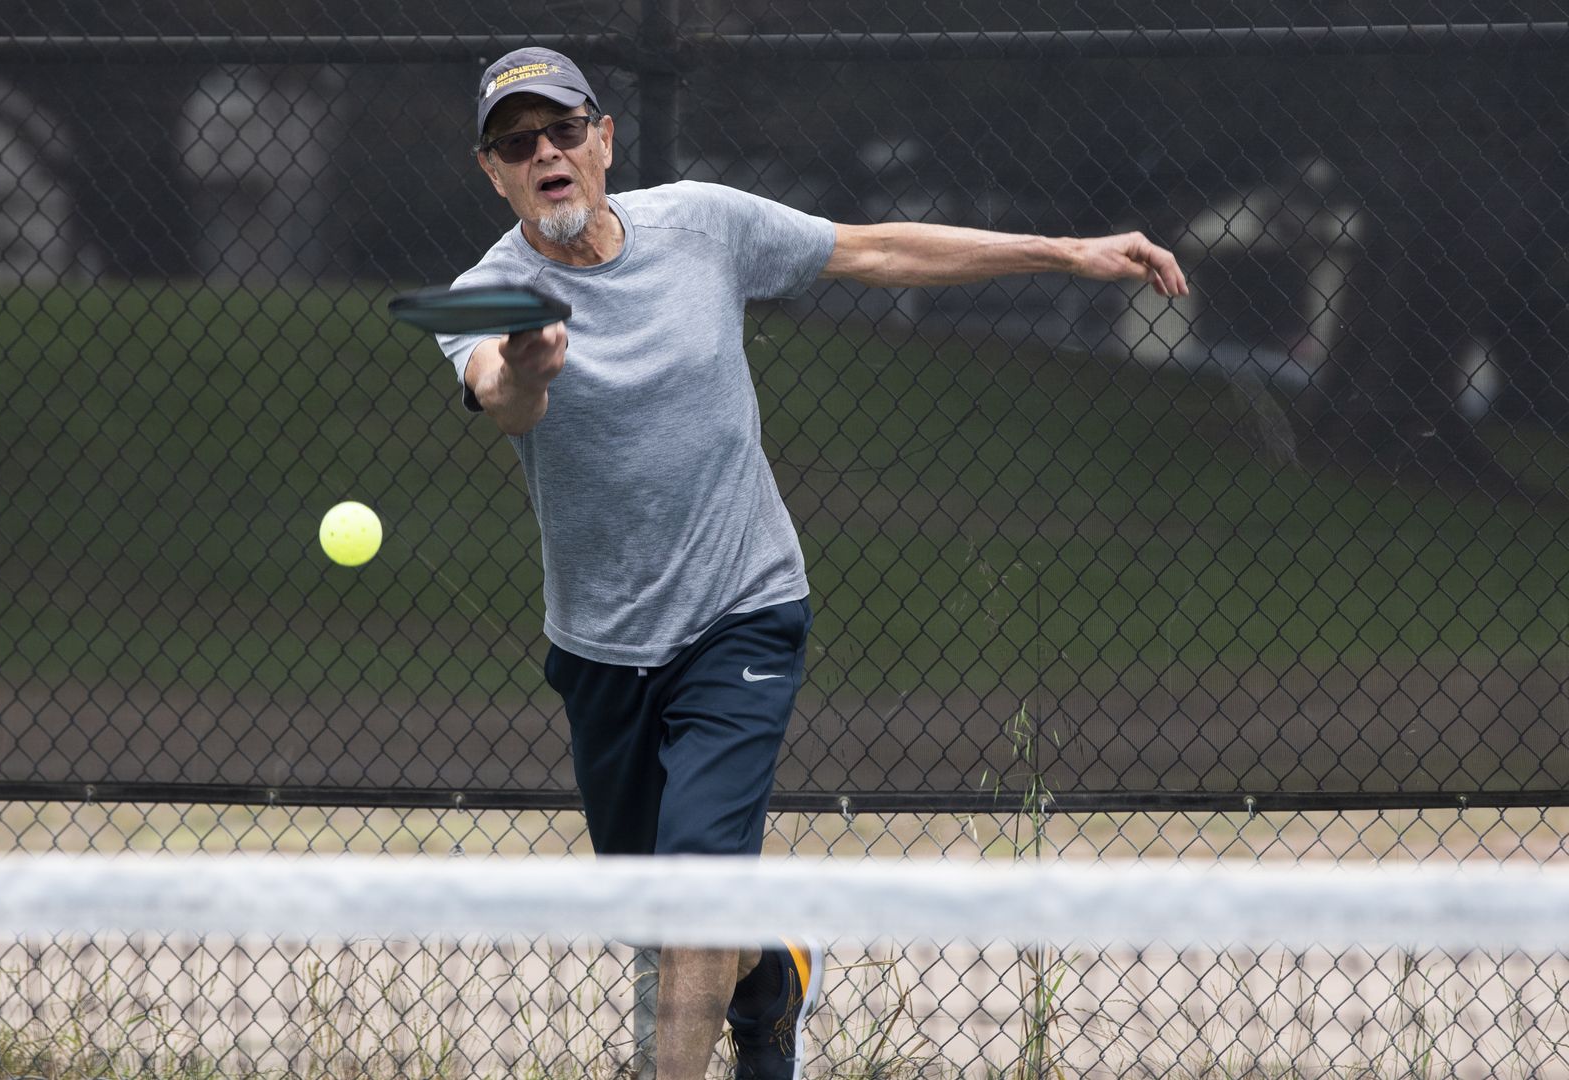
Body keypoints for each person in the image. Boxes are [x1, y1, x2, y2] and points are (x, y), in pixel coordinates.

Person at [432, 47, 1189, 1080]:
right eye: (518, 144)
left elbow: (875, 248)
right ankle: (772, 974)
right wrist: (525, 366)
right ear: (495, 173)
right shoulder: (487, 295)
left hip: (743, 613)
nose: (546, 153)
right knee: (664, 917)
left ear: (604, 140)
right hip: (603, 649)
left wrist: (1064, 252)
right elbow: (498, 396)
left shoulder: (702, 223)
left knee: (697, 897)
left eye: (564, 130)